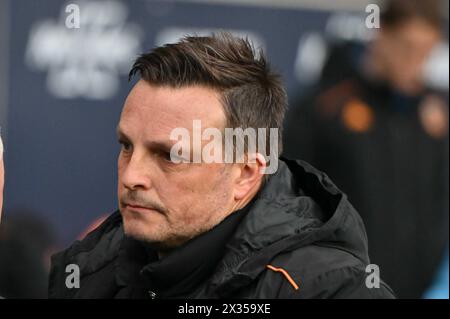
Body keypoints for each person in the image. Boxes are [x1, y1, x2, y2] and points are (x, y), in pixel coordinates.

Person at [48, 33, 394, 299]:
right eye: (126, 146)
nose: (132, 176)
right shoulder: (85, 271)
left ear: (245, 174)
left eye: (171, 155)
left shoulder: (331, 291)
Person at [284, 0, 448, 298]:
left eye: (426, 51)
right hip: (341, 288)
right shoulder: (325, 107)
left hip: (418, 289)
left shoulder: (436, 116)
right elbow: (289, 200)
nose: (415, 60)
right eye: (407, 46)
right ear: (380, 33)